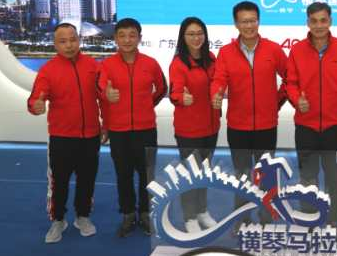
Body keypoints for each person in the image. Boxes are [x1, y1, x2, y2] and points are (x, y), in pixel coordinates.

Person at [210, 1, 287, 225]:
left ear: (259, 21)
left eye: (253, 20)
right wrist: (216, 93)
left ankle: (266, 219)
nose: (249, 26)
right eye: (244, 21)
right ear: (236, 24)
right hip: (238, 126)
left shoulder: (273, 49)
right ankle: (242, 220)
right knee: (242, 176)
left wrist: (276, 101)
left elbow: (290, 77)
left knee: (266, 177)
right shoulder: (226, 52)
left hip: (266, 125)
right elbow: (219, 79)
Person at [27, 23, 104, 244]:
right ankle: (58, 220)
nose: (69, 45)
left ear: (79, 40)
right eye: (63, 41)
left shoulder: (93, 66)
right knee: (58, 183)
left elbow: (103, 98)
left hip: (90, 135)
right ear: (55, 44)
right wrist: (36, 106)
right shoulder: (48, 70)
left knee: (87, 180)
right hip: (61, 138)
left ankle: (83, 217)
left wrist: (106, 124)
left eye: (73, 39)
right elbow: (34, 100)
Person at [286, 2, 337, 226]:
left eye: (323, 20)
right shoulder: (297, 50)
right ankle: (309, 221)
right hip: (305, 127)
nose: (319, 26)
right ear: (307, 23)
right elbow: (290, 83)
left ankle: (333, 222)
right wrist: (297, 100)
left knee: (333, 180)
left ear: (330, 21)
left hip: (334, 127)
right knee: (307, 179)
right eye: (314, 21)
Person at [98, 17, 167, 237]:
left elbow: (161, 88)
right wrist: (107, 95)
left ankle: (146, 213)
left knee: (147, 175)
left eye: (132, 35)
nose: (127, 40)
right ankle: (128, 214)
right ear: (115, 38)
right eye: (122, 35)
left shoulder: (151, 63)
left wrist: (147, 104)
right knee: (123, 174)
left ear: (139, 38)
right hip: (119, 131)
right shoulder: (107, 65)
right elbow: (102, 90)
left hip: (146, 129)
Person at [169, 17, 221, 233]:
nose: (196, 37)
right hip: (189, 130)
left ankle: (202, 211)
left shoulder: (211, 58)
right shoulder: (178, 63)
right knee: (190, 175)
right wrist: (182, 98)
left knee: (205, 173)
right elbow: (174, 92)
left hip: (212, 127)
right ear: (183, 37)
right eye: (191, 34)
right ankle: (189, 217)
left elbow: (219, 83)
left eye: (200, 33)